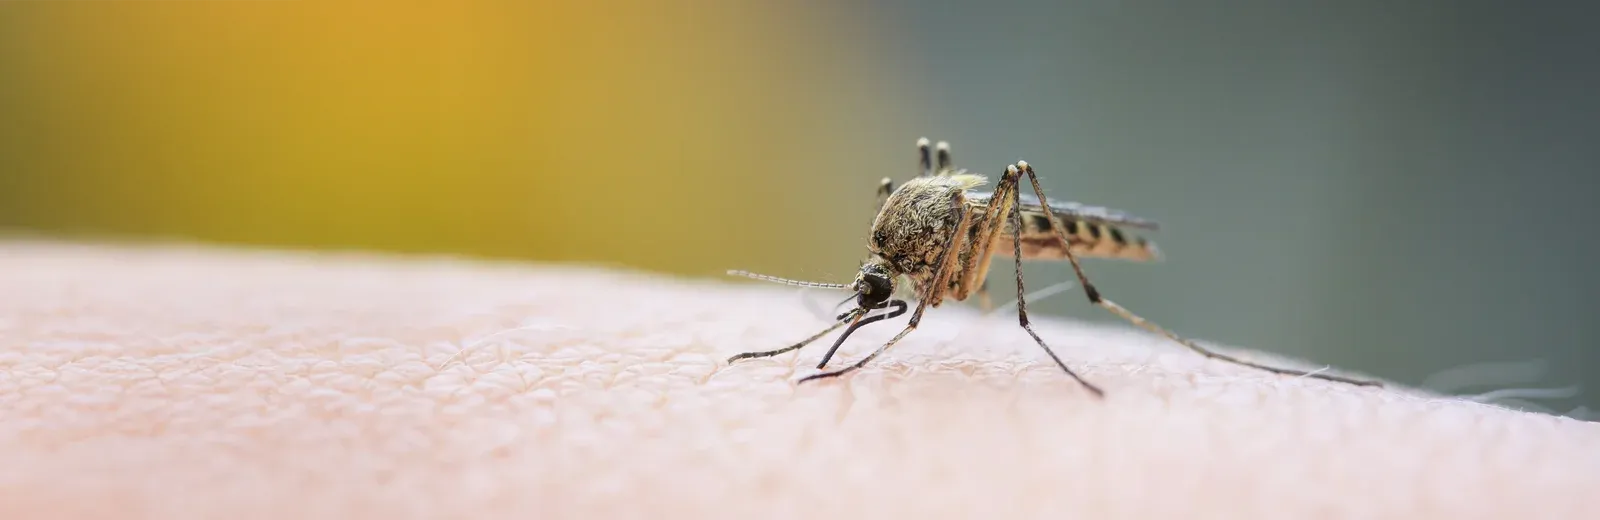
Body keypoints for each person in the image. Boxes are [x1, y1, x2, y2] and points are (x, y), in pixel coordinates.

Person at [2, 241, 1595, 519]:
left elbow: (935, 252)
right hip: (960, 225)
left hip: (1035, 215)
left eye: (877, 297)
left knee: (987, 211)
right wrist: (830, 335)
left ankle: (1115, 335)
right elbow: (889, 294)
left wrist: (1024, 307)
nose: (883, 302)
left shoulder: (950, 245)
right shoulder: (894, 271)